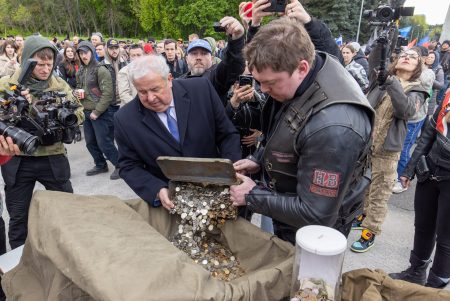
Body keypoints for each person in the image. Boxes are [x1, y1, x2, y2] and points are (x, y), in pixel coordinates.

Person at [228, 16, 374, 245]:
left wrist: (251, 194)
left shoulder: (334, 127)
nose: (263, 90)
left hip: (315, 234)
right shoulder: (303, 73)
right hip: (291, 199)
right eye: (259, 82)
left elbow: (317, 214)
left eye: (270, 83)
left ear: (302, 67)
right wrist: (260, 158)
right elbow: (285, 127)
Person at [114, 55, 241, 209]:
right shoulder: (125, 119)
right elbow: (128, 165)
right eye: (142, 92)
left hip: (219, 191)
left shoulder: (201, 90)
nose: (151, 98)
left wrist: (230, 175)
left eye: (155, 89)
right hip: (172, 202)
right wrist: (157, 189)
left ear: (169, 79)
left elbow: (227, 135)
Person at [0, 35, 84, 249]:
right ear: (28, 59)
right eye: (40, 64)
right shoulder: (7, 83)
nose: (46, 69)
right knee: (19, 218)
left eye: (49, 64)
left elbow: (79, 112)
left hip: (52, 155)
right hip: (17, 159)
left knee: (68, 210)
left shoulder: (59, 84)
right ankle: (21, 264)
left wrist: (57, 115)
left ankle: (71, 253)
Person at [350, 47, 428, 253]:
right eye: (403, 55)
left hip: (388, 150)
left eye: (412, 57)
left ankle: (371, 231)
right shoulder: (384, 80)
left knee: (380, 192)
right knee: (363, 185)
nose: (407, 58)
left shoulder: (417, 89)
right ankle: (364, 215)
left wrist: (392, 83)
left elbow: (407, 110)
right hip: (367, 144)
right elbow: (366, 103)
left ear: (418, 66)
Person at [389, 90, 450, 289]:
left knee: (446, 238)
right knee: (423, 226)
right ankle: (416, 272)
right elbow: (429, 133)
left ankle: (434, 289)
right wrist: (409, 169)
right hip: (430, 170)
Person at [75, 41, 120, 180]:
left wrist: (97, 112)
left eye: (86, 52)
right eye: (81, 53)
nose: (83, 55)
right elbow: (78, 86)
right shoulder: (81, 71)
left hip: (101, 112)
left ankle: (121, 166)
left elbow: (108, 94)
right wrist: (76, 92)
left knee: (104, 143)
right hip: (86, 111)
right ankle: (100, 164)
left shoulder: (101, 69)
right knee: (90, 143)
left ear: (91, 52)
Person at [181, 16, 245, 104]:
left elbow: (232, 64)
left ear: (211, 58)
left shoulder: (216, 77)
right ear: (186, 59)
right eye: (194, 53)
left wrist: (237, 39)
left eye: (204, 53)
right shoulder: (179, 82)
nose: (199, 57)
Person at [425, 51, 445, 117]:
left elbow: (440, 85)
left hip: (430, 96)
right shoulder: (421, 66)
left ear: (435, 59)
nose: (429, 58)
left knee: (425, 117)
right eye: (428, 56)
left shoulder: (438, 69)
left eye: (432, 57)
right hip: (419, 94)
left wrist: (429, 78)